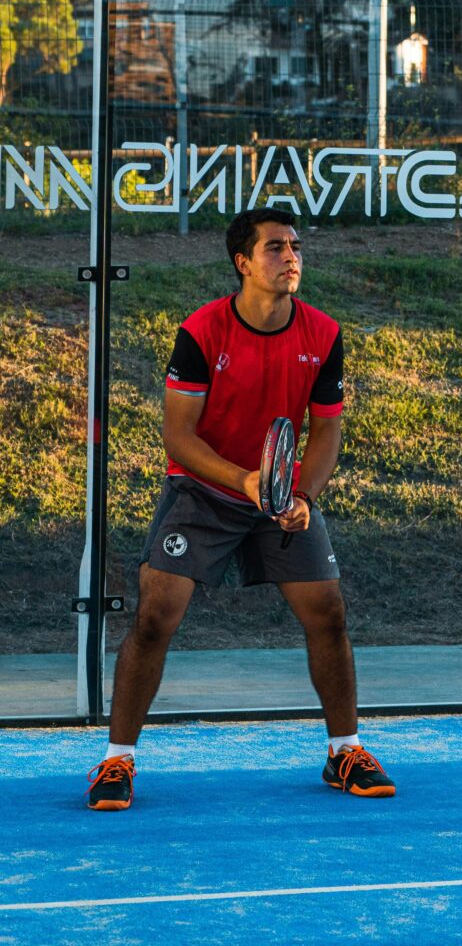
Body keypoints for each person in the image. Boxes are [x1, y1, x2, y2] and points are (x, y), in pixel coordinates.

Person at [87, 207, 395, 810]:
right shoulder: (201, 332)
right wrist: (244, 481)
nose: (291, 257)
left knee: (328, 611)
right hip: (204, 491)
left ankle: (345, 751)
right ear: (243, 263)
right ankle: (116, 762)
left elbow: (326, 431)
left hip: (280, 499)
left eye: (296, 247)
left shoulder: (324, 334)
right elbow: (178, 437)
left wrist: (301, 496)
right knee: (156, 615)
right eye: (275, 248)